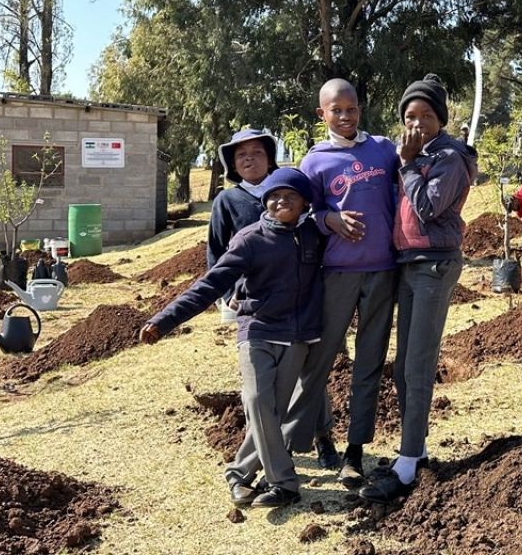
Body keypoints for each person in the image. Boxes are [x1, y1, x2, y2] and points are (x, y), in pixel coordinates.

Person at [140, 168, 325, 509]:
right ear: (264, 202)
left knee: (271, 413)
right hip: (257, 331)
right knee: (256, 400)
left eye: (290, 196)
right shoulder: (250, 239)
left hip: (298, 336)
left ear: (305, 204)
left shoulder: (314, 234)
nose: (281, 201)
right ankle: (284, 482)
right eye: (273, 196)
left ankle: (239, 474)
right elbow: (209, 285)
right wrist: (164, 321)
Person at [358, 73, 477, 504]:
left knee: (418, 365)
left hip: (435, 264)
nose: (417, 123)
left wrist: (407, 164)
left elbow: (427, 206)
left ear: (441, 119)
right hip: (408, 264)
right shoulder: (415, 153)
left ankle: (407, 466)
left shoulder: (450, 156)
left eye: (427, 115)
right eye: (410, 116)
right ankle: (416, 452)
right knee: (404, 363)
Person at [286, 78, 400, 488]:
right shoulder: (314, 162)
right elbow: (302, 212)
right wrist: (328, 218)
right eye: (337, 110)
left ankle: (355, 452)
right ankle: (312, 439)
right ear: (323, 114)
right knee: (320, 360)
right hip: (336, 274)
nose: (346, 116)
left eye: (352, 109)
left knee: (369, 362)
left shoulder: (384, 150)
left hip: (382, 271)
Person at [208, 128, 279, 321]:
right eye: (241, 155)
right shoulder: (226, 200)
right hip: (246, 290)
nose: (249, 158)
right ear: (233, 164)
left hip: (286, 284)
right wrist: (228, 293)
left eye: (257, 152)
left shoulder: (285, 195)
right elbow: (216, 249)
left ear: (270, 160)